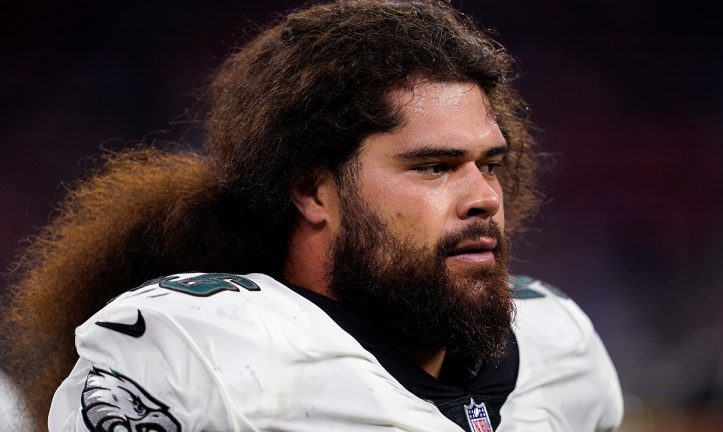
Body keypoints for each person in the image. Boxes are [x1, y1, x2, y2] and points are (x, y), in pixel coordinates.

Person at [2, 0, 623, 430]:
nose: (485, 196)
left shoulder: (560, 347)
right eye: (433, 166)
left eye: (490, 163)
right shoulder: (191, 354)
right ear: (312, 191)